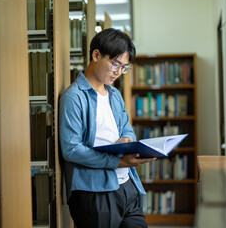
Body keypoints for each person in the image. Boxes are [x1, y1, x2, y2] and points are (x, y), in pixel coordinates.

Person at [59, 28, 156, 228]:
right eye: (115, 64)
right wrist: (117, 162)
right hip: (94, 192)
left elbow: (127, 128)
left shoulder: (114, 95)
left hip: (127, 186)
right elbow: (71, 150)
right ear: (96, 55)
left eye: (124, 67)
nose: (118, 72)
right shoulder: (74, 97)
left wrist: (128, 141)